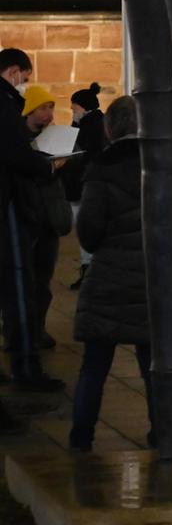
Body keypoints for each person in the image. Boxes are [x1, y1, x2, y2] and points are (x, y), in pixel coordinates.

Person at [69, 96, 153, 451]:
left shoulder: (102, 167)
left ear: (109, 128)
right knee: (154, 367)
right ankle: (162, 433)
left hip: (109, 278)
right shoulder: (165, 164)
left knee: (94, 365)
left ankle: (81, 438)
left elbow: (89, 231)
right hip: (153, 278)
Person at [0, 50, 63, 404]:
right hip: (9, 206)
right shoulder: (5, 102)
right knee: (20, 283)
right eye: (23, 78)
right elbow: (15, 154)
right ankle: (26, 366)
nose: (24, 86)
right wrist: (46, 168)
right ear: (12, 72)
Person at [16, 85, 71, 353]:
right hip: (26, 217)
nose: (49, 113)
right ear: (29, 111)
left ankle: (37, 328)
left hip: (48, 218)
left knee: (43, 279)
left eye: (51, 107)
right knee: (22, 278)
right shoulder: (17, 140)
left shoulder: (55, 138)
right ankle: (18, 331)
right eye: (43, 108)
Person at [63, 82, 106, 291]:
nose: (72, 110)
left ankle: (89, 272)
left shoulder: (90, 126)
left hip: (84, 184)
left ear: (83, 106)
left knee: (85, 229)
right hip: (85, 184)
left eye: (74, 106)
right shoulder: (94, 123)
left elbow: (81, 155)